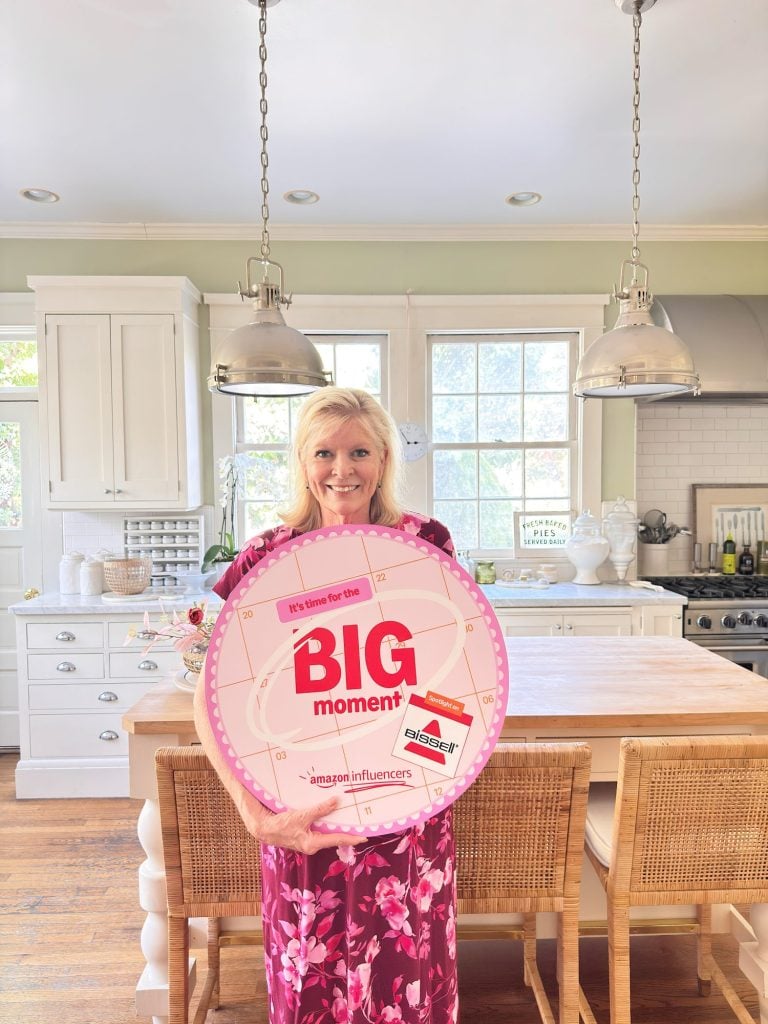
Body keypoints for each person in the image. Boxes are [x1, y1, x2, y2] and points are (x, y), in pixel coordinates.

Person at [194, 387, 458, 1024]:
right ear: (302, 461)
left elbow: (452, 674)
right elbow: (214, 697)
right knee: (309, 988)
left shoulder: (424, 544)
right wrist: (255, 815)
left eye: (359, 451)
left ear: (384, 459)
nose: (342, 470)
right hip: (301, 821)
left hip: (405, 824)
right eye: (324, 453)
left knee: (404, 989)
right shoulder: (266, 559)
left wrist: (420, 773)